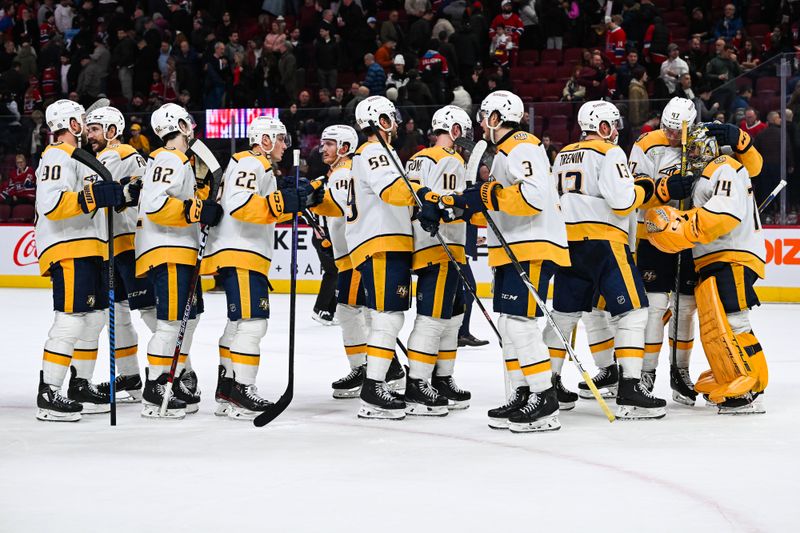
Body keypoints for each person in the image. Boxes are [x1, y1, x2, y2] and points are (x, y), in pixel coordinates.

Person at [442, 91, 570, 432]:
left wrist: (487, 194)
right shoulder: (504, 153)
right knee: (512, 326)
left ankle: (544, 397)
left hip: (532, 246)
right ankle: (525, 391)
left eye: (485, 116)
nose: (481, 122)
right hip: (516, 246)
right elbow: (499, 205)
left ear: (498, 118)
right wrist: (464, 204)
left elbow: (532, 196)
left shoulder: (522, 146)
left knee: (518, 324)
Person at [629, 97, 763, 404]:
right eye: (667, 128)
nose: (671, 136)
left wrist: (742, 142)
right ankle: (646, 373)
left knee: (686, 307)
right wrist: (663, 189)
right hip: (655, 234)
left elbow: (752, 170)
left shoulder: (710, 138)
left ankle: (680, 372)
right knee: (654, 305)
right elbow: (632, 189)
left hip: (693, 237)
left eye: (678, 131)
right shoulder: (648, 143)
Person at [545, 100, 666, 420]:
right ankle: (630, 388)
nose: (615, 132)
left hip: (568, 243)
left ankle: (548, 383)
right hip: (604, 243)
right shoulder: (609, 153)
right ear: (602, 126)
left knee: (563, 315)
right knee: (634, 311)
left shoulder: (561, 155)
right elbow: (623, 201)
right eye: (612, 125)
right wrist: (644, 187)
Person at [201, 116, 313, 420]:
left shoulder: (250, 164)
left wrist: (283, 196)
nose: (283, 146)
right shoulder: (253, 162)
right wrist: (281, 203)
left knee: (238, 324)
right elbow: (239, 204)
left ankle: (227, 390)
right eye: (280, 139)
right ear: (265, 140)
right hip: (242, 252)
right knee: (253, 323)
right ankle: (242, 389)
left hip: (236, 252)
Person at [34, 99, 124, 421]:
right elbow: (53, 204)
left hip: (90, 248)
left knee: (94, 318)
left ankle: (80, 384)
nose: (85, 127)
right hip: (69, 247)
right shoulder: (56, 155)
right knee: (71, 319)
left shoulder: (82, 159)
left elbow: (92, 199)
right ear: (71, 124)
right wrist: (95, 196)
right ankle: (49, 391)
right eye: (82, 121)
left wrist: (119, 194)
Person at [347, 96, 435, 419]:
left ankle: (377, 383)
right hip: (381, 243)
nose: (395, 123)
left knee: (389, 316)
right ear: (379, 121)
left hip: (386, 243)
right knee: (388, 317)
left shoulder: (381, 153)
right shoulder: (373, 151)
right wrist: (424, 195)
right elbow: (391, 191)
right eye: (390, 118)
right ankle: (373, 388)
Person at [136, 103, 223, 419]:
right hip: (168, 250)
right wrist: (198, 210)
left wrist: (200, 204)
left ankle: (176, 377)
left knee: (191, 318)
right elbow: (158, 205)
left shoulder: (180, 162)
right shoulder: (168, 158)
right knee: (171, 322)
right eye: (188, 122)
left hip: (181, 250)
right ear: (179, 125)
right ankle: (156, 385)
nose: (193, 127)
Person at [404, 106, 474, 415]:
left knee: (451, 316)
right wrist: (467, 205)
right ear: (454, 130)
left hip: (426, 246)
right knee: (434, 318)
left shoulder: (417, 157)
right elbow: (445, 206)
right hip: (442, 247)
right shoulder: (450, 160)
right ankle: (417, 383)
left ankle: (441, 378)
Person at [84, 106, 152, 403]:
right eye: (89, 129)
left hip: (128, 243)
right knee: (119, 312)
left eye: (95, 128)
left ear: (112, 131)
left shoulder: (116, 153)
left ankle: (177, 374)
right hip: (119, 243)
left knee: (149, 311)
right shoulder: (123, 154)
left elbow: (95, 190)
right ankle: (130, 375)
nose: (90, 134)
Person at [308, 125, 375, 398]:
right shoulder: (338, 172)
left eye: (330, 143)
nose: (323, 148)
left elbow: (342, 209)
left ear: (345, 147)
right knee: (354, 311)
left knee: (357, 312)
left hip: (355, 256)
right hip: (348, 256)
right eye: (323, 143)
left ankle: (381, 369)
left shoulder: (344, 173)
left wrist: (313, 200)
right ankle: (368, 367)